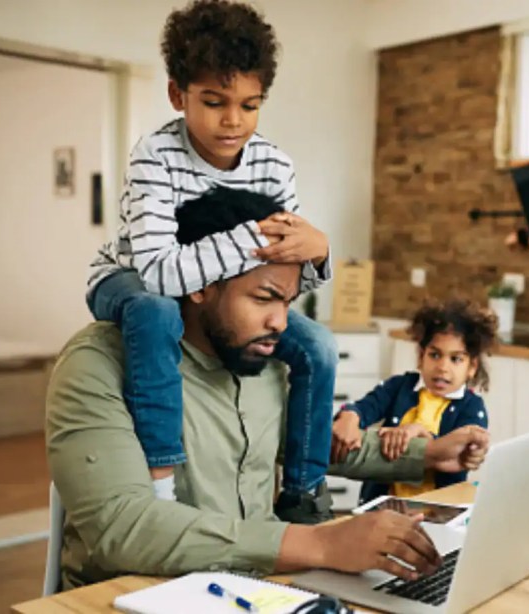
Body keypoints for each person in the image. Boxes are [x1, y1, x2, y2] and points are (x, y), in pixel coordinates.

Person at [48, 193, 491, 589]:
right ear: (199, 283)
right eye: (263, 298)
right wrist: (320, 542)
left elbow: (307, 443)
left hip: (259, 591)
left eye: (287, 303)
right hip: (135, 597)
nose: (280, 322)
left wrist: (429, 456)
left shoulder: (263, 358)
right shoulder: (98, 363)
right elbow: (123, 528)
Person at [84, 0, 336, 523]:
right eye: (214, 101)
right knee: (157, 312)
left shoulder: (274, 165)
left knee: (318, 344)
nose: (232, 121)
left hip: (210, 293)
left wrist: (318, 249)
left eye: (249, 105)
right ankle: (161, 481)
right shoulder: (154, 157)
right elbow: (158, 272)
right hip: (127, 275)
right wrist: (249, 237)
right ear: (178, 94)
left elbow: (280, 268)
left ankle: (305, 490)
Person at [331, 299, 497, 503]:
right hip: (384, 505)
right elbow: (366, 407)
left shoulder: (472, 407)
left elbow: (457, 451)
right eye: (435, 355)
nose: (443, 367)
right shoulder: (399, 387)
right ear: (421, 356)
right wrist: (350, 415)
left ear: (472, 366)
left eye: (456, 359)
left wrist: (418, 432)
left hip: (435, 513)